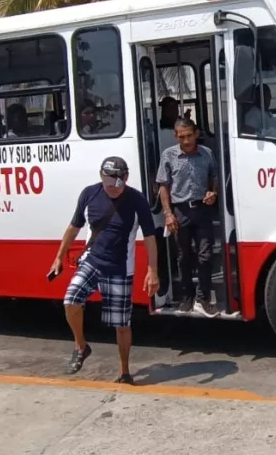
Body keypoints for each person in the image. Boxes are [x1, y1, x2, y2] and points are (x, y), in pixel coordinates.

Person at [49, 156, 159, 383]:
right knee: (71, 300)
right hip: (92, 261)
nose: (114, 190)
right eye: (109, 185)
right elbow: (74, 227)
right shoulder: (90, 194)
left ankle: (124, 372)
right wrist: (59, 257)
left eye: (118, 185)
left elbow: (149, 237)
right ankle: (81, 346)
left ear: (126, 178)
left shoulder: (137, 200)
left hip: (120, 269)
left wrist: (152, 270)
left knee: (121, 324)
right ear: (101, 177)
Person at [156, 118, 219, 317]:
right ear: (176, 136)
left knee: (205, 255)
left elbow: (214, 178)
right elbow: (163, 186)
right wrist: (168, 214)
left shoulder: (207, 154)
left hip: (202, 210)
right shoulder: (169, 155)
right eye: (181, 137)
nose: (186, 140)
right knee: (183, 257)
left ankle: (203, 297)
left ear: (197, 133)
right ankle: (187, 297)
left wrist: (213, 193)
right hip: (180, 211)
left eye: (189, 135)